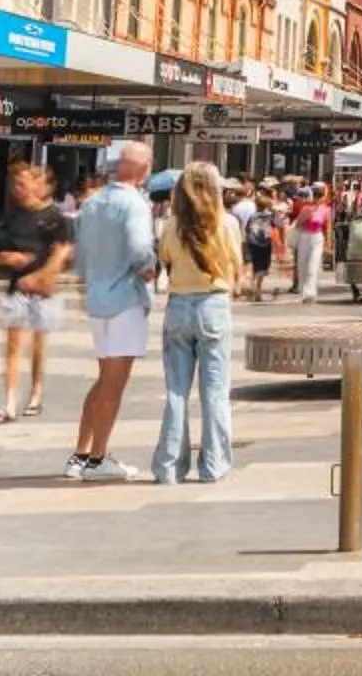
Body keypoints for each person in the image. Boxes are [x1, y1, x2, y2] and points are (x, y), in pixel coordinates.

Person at [66, 143, 156, 480]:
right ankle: (98, 457)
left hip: (96, 297)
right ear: (144, 168)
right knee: (114, 384)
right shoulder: (134, 204)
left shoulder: (94, 203)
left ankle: (81, 453)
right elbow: (138, 248)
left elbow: (80, 254)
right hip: (124, 300)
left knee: (103, 379)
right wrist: (149, 268)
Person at [153, 160, 244, 484]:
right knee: (215, 392)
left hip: (179, 307)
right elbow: (236, 267)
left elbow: (165, 261)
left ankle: (169, 466)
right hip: (214, 305)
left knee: (176, 392)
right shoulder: (228, 223)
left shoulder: (171, 224)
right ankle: (213, 464)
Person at [0, 161, 69, 425]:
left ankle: (36, 392)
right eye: (14, 184)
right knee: (13, 345)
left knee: (39, 344)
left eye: (22, 183)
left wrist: (39, 277)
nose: (17, 189)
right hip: (16, 287)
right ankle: (9, 402)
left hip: (43, 291)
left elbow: (61, 253)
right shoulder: (11, 217)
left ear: (38, 184)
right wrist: (8, 258)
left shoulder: (55, 217)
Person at [291, 184, 332, 302]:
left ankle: (310, 292)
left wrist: (328, 244)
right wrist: (305, 218)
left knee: (313, 265)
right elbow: (298, 225)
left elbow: (328, 227)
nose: (318, 199)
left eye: (320, 196)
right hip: (304, 236)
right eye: (317, 196)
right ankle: (304, 290)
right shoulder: (306, 208)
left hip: (317, 237)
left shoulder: (326, 209)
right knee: (302, 264)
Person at [237, 186, 277, 301]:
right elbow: (277, 225)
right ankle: (257, 288)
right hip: (265, 243)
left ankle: (254, 287)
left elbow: (248, 228)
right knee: (263, 266)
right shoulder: (270, 216)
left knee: (254, 265)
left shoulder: (253, 216)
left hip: (253, 243)